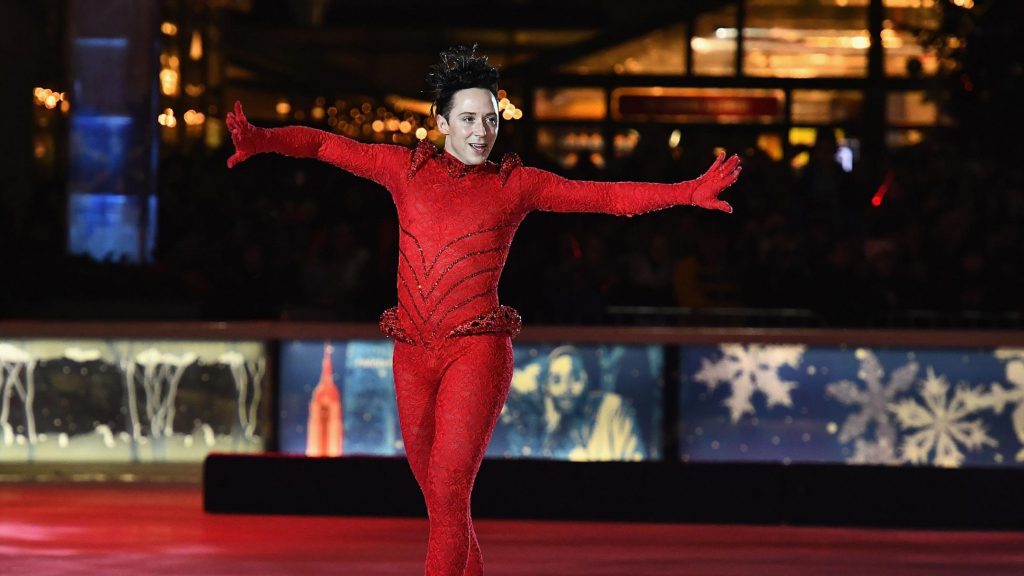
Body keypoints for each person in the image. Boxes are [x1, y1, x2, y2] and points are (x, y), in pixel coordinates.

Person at [226, 44, 740, 576]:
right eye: (469, 119)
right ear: (441, 121)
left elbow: (606, 197)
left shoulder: (514, 185)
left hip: (476, 353)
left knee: (449, 489)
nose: (481, 132)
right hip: (411, 353)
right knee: (440, 500)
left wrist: (687, 192)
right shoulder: (403, 170)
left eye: (490, 120)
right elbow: (322, 144)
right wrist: (262, 139)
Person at [540, 345, 644, 461]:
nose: (566, 389)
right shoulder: (553, 436)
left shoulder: (612, 408)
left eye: (575, 378)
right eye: (556, 380)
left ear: (587, 379)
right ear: (547, 388)